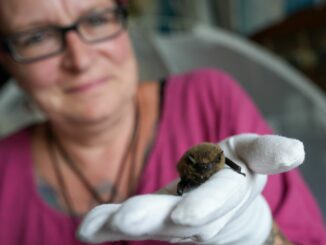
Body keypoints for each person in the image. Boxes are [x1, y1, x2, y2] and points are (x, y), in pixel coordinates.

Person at [0, 0, 325, 244]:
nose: (80, 59)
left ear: (125, 17)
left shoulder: (209, 100)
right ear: (6, 59)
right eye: (37, 37)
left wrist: (255, 233)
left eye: (97, 18)